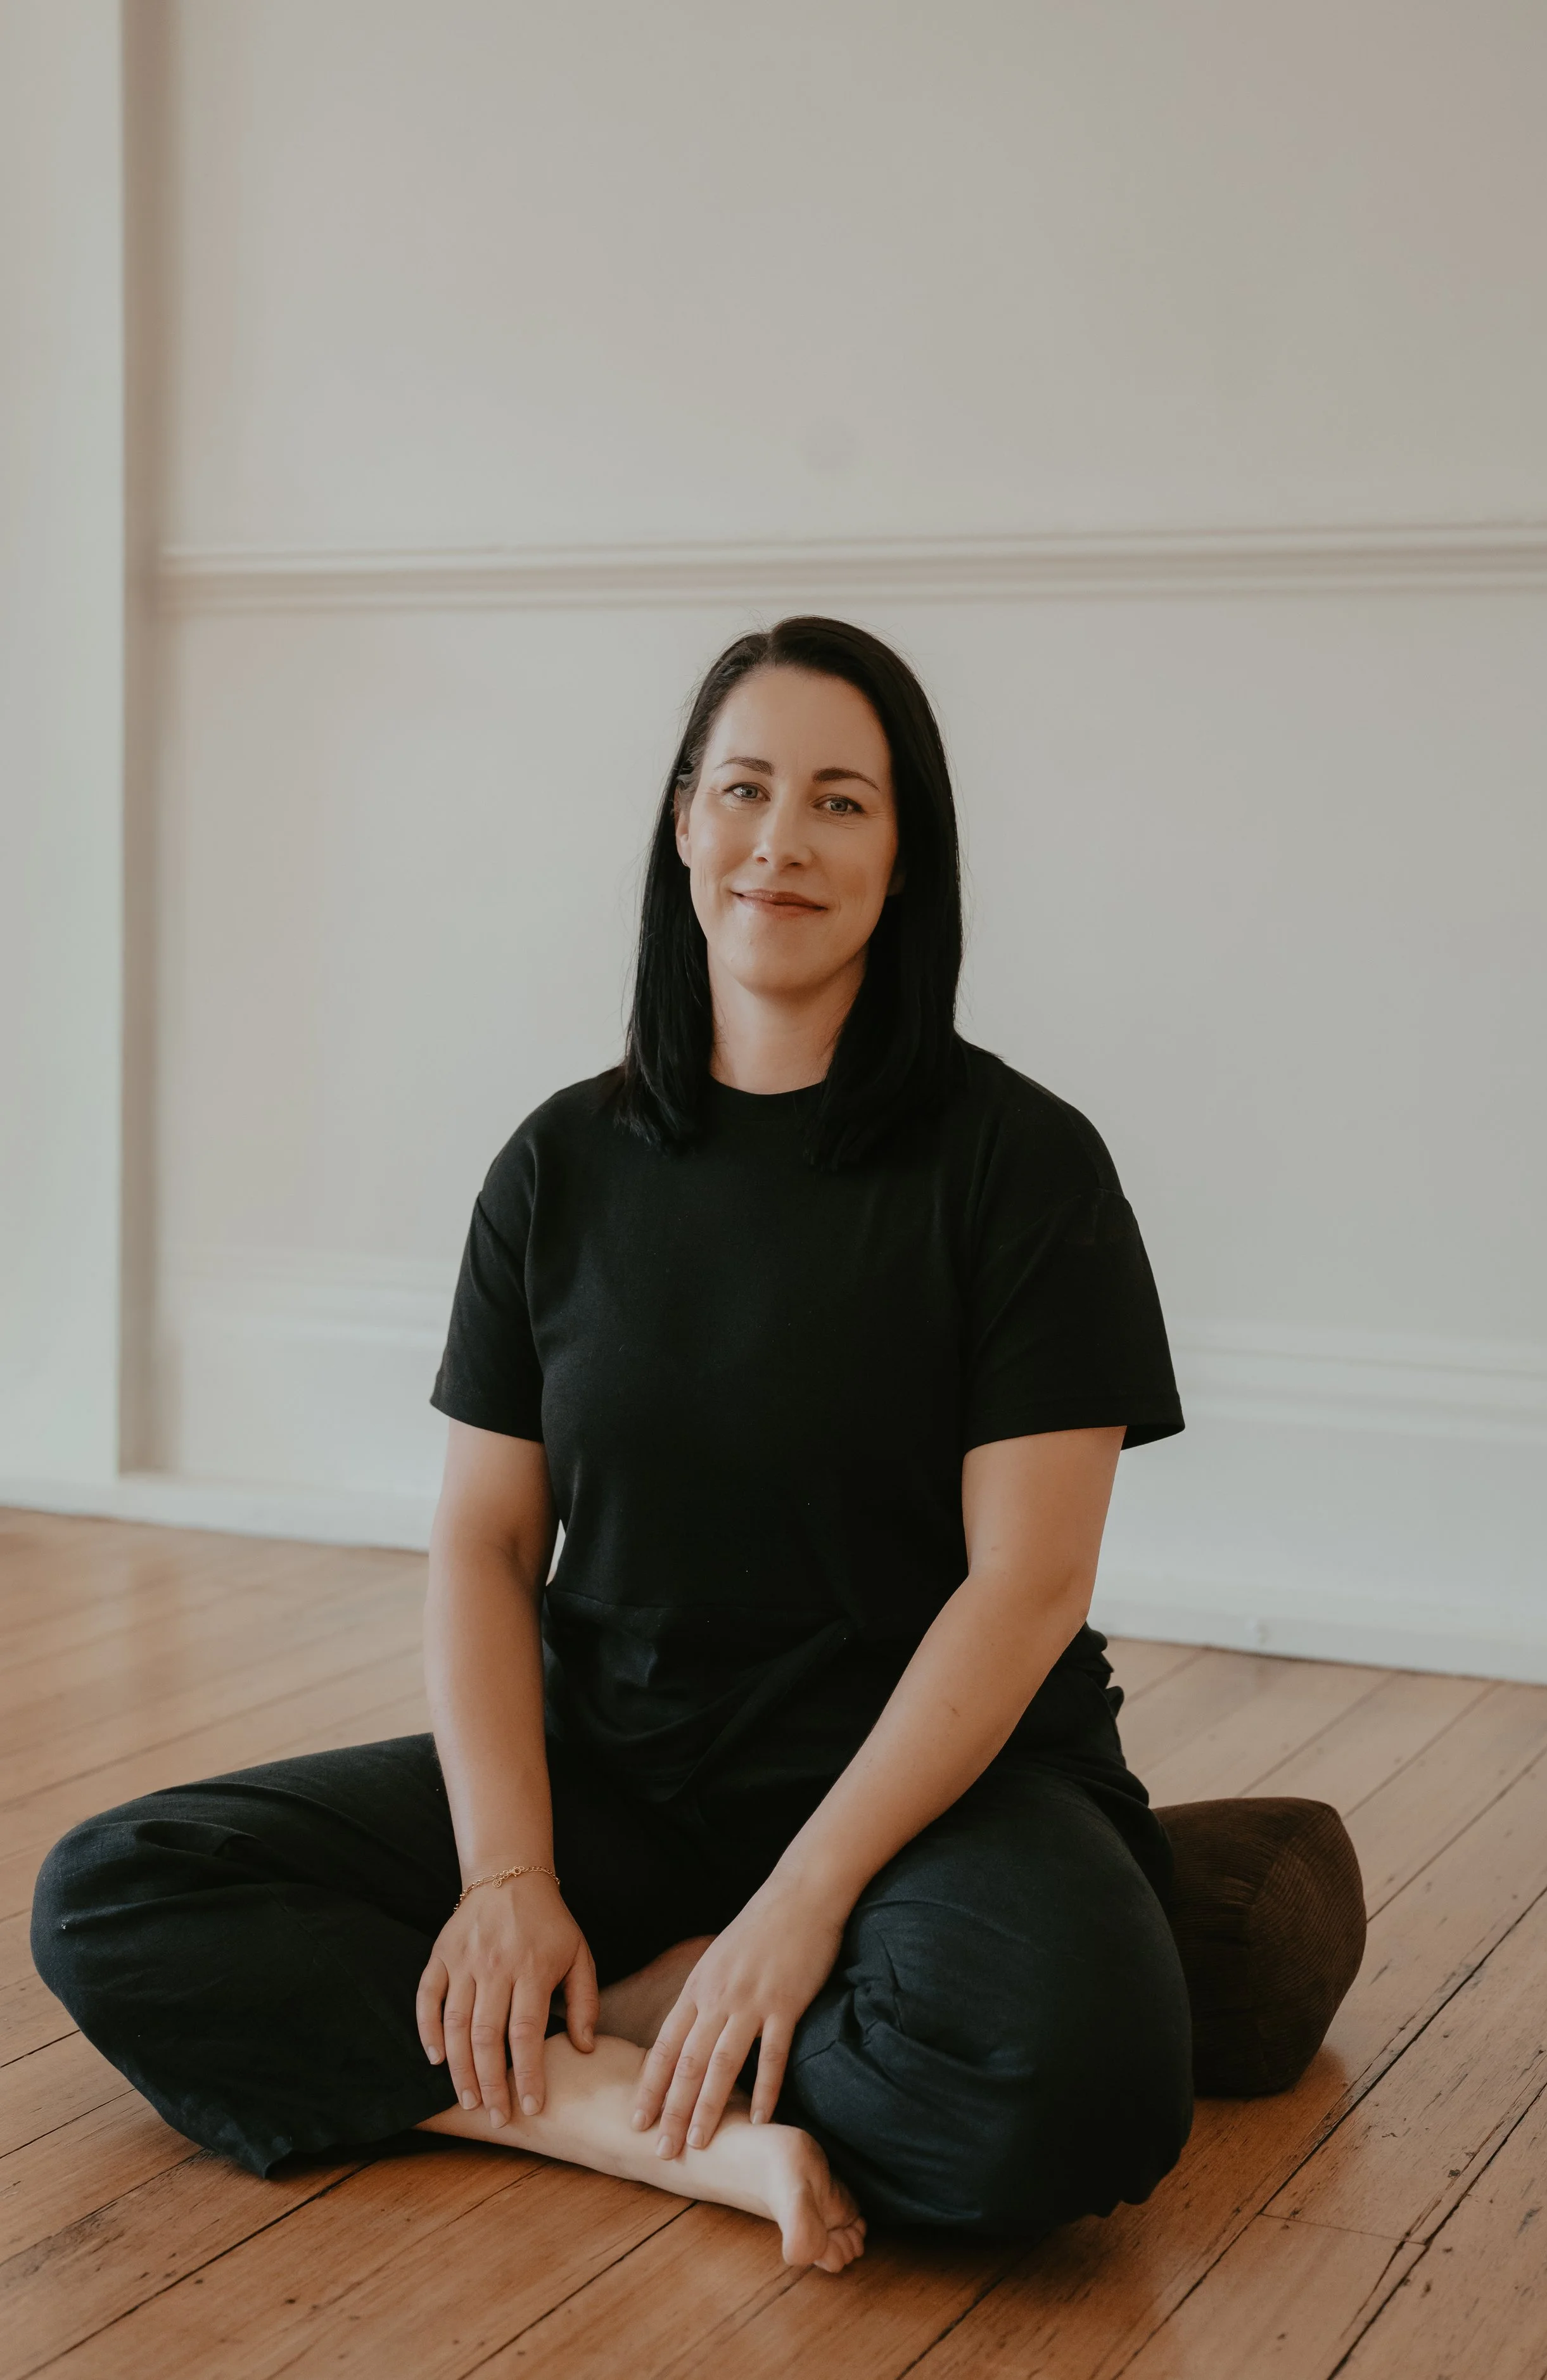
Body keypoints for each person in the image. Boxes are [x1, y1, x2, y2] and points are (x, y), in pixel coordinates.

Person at [33, 618, 1194, 2275]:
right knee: (113, 1893)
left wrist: (795, 1918)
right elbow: (487, 1545)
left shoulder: (1022, 1166)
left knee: (1078, 2087)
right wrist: (508, 1875)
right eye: (741, 788)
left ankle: (663, 2000)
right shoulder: (557, 1164)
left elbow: (1025, 1584)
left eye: (840, 801)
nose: (778, 839)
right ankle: (623, 2094)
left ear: (909, 851)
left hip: (926, 1793)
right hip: (622, 1771)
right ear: (680, 821)